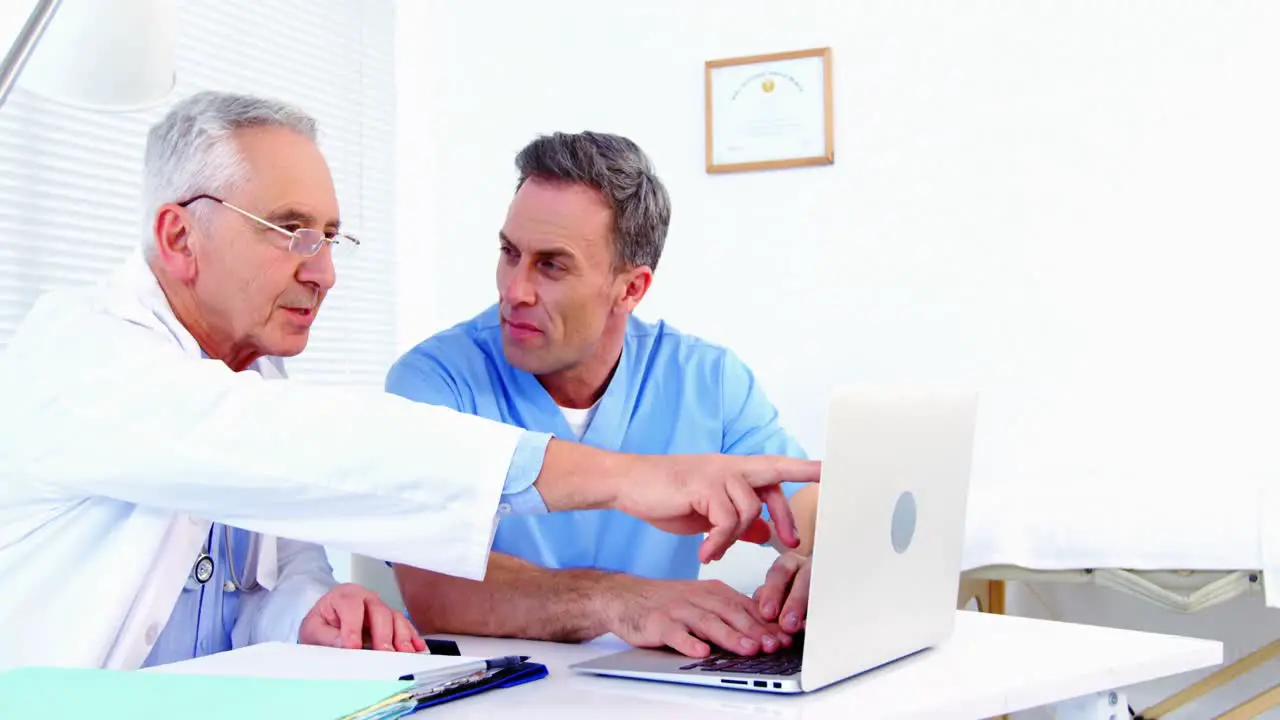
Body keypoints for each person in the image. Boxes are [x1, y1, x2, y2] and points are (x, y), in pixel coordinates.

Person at [0, 93, 819, 672]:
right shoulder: (77, 360)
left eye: (328, 237)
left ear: (631, 287)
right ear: (179, 236)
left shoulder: (259, 372)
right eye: (289, 232)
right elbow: (308, 450)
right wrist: (632, 481)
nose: (323, 272)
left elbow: (265, 588)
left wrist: (307, 613)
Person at [386, 131, 818, 660]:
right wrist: (616, 601)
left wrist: (822, 561)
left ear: (630, 289)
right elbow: (435, 590)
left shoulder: (708, 380)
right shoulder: (434, 380)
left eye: (551, 265)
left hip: (656, 694)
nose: (513, 290)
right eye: (509, 253)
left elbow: (810, 514)